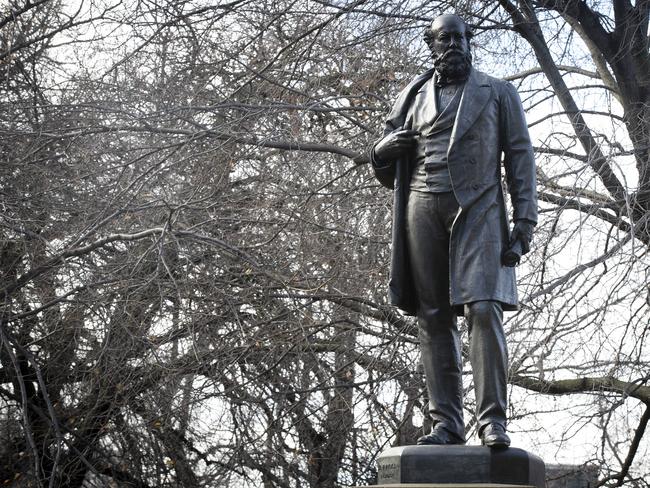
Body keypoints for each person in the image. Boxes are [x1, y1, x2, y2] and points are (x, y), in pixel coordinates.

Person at [370, 13, 537, 448]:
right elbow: (387, 169)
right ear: (431, 44)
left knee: (484, 309)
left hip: (479, 209)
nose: (455, 45)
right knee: (433, 316)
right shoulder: (410, 97)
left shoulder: (499, 93)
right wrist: (379, 152)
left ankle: (492, 422)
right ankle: (447, 424)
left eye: (462, 37)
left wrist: (525, 222)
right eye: (446, 38)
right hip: (422, 207)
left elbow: (520, 157)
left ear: (469, 41)